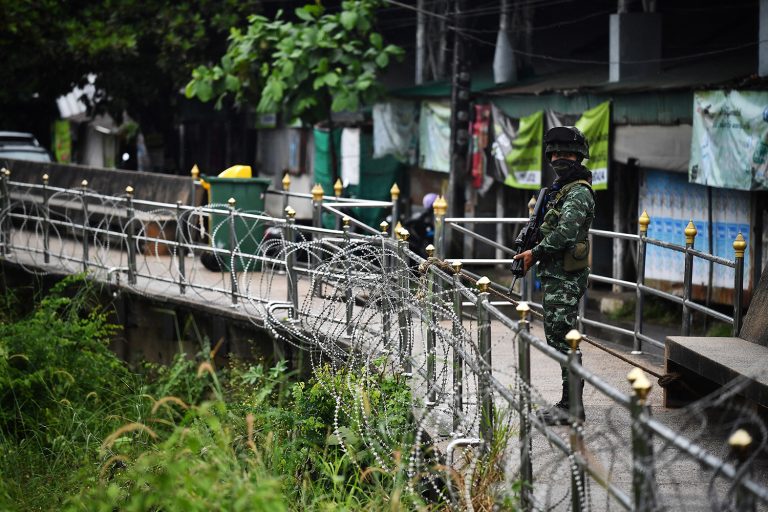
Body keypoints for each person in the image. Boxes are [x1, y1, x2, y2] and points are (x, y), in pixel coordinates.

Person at [513, 126, 595, 426]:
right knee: (558, 338)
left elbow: (564, 234)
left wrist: (534, 254)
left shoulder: (579, 193)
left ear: (579, 157)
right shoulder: (556, 191)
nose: (561, 158)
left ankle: (572, 406)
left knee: (564, 339)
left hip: (566, 278)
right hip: (554, 275)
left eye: (568, 154)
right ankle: (567, 401)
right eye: (556, 153)